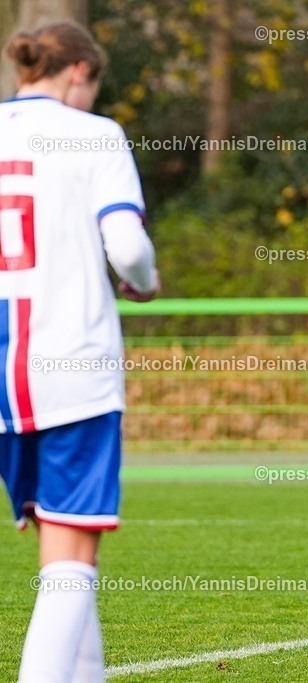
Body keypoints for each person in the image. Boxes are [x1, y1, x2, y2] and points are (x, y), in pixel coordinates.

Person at [0, 21, 159, 682]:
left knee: (59, 546)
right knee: (70, 562)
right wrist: (143, 280)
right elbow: (127, 246)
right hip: (71, 363)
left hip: (4, 373)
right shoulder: (95, 135)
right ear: (78, 73)